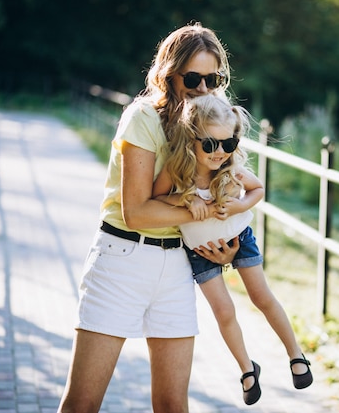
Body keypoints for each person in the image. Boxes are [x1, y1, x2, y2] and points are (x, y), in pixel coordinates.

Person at [57, 23, 241, 413]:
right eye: (193, 78)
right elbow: (136, 211)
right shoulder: (143, 116)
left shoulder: (211, 124)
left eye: (214, 79)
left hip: (177, 265)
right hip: (123, 258)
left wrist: (220, 248)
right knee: (83, 404)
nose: (204, 89)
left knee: (174, 405)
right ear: (168, 74)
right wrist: (195, 210)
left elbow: (224, 196)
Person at [152, 94, 313, 406]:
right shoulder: (176, 171)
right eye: (211, 145)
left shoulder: (231, 168)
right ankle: (248, 369)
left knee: (261, 296)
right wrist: (187, 199)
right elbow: (156, 198)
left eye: (229, 144)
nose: (220, 153)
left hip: (239, 236)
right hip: (200, 250)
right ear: (191, 138)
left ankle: (296, 354)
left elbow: (259, 189)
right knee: (224, 311)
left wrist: (239, 204)